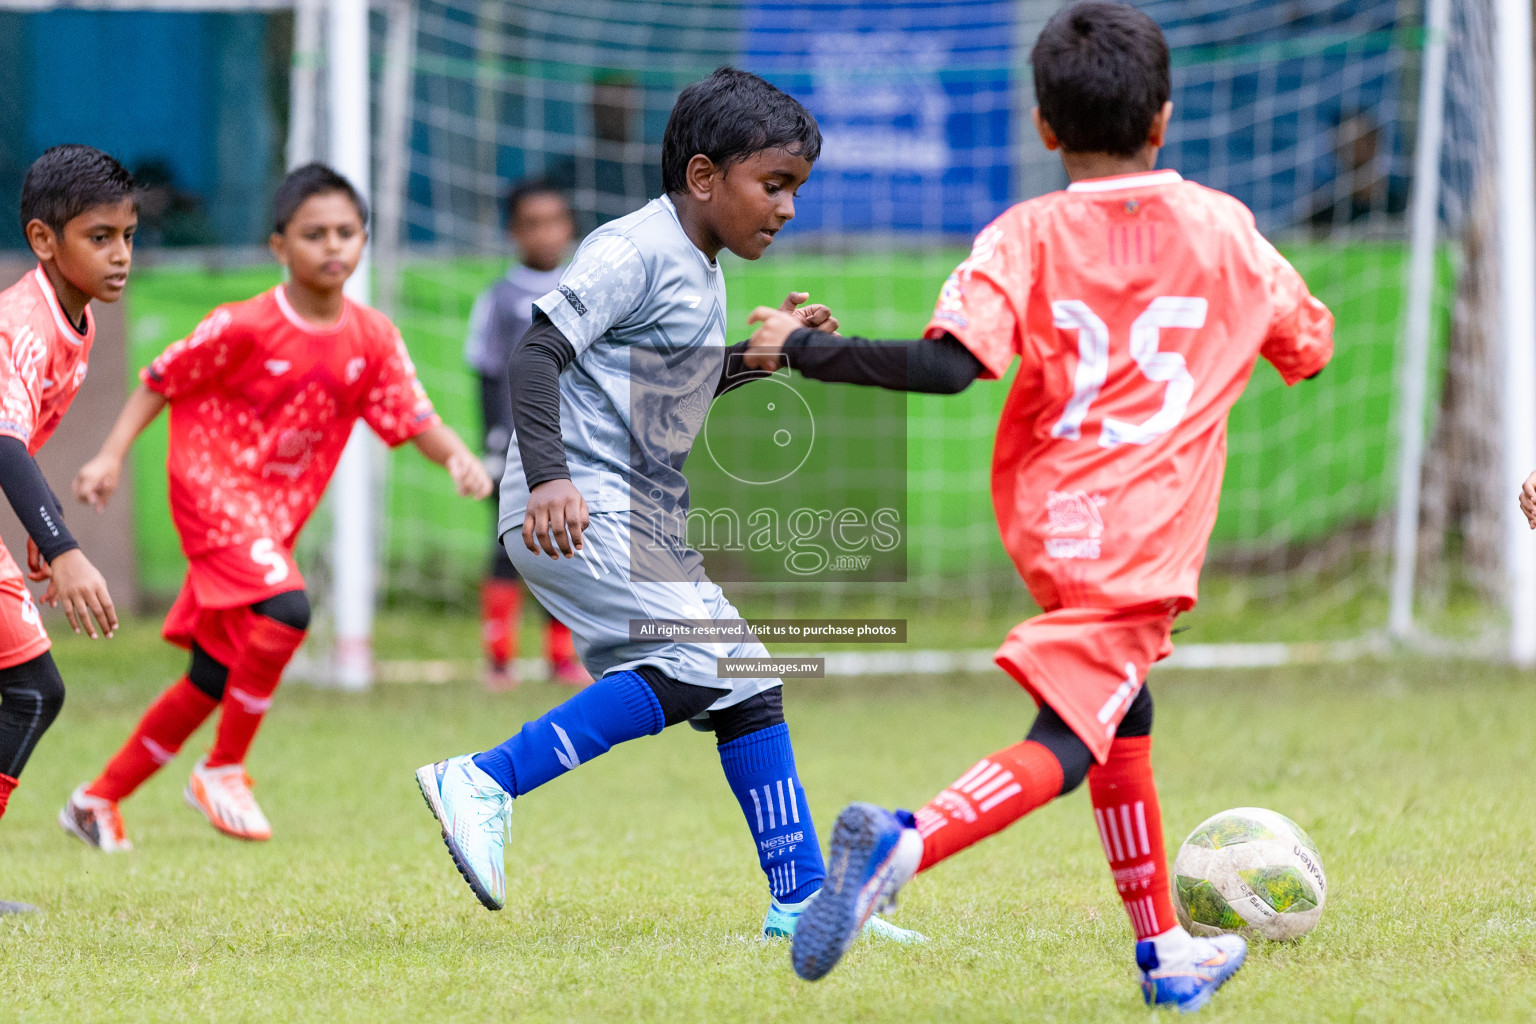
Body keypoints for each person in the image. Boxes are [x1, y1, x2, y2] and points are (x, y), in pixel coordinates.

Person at [744, 3, 1334, 1011]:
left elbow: (946, 366)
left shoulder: (1022, 233)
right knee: (1067, 737)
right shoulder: (1225, 230)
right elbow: (1307, 344)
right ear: (1165, 118)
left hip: (1056, 522)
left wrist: (796, 348)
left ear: (1044, 128)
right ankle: (906, 841)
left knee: (1121, 709)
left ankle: (1164, 949)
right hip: (1142, 537)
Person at [414, 68, 920, 944]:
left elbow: (654, 398)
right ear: (702, 177)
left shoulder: (700, 267)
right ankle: (486, 778)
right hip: (571, 502)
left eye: (795, 189)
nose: (787, 208)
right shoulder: (634, 248)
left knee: (749, 679)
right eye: (774, 185)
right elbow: (537, 352)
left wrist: (758, 361)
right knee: (691, 663)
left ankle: (802, 901)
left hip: (631, 513)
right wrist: (553, 477)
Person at [61, 163, 491, 851]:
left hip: (270, 518)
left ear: (363, 241)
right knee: (288, 608)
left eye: (347, 232)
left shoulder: (373, 336)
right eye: (314, 233)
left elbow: (412, 416)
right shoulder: (245, 324)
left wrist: (458, 457)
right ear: (278, 247)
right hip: (211, 488)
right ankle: (223, 769)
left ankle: (96, 799)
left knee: (211, 676)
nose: (333, 247)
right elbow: (159, 380)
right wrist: (109, 456)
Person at [0, 145, 132, 914]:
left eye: (127, 236)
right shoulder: (22, 322)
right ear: (45, 240)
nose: (119, 256)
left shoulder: (67, 320)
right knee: (29, 689)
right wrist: (64, 548)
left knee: (27, 689)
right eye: (99, 237)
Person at [464, 180, 586, 689]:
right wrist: (494, 442)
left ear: (570, 227)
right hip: (514, 451)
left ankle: (563, 658)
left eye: (554, 221)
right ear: (514, 233)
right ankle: (498, 659)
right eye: (532, 224)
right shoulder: (499, 298)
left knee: (566, 547)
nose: (545, 234)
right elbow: (487, 371)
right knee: (508, 548)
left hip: (570, 449)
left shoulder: (583, 289)